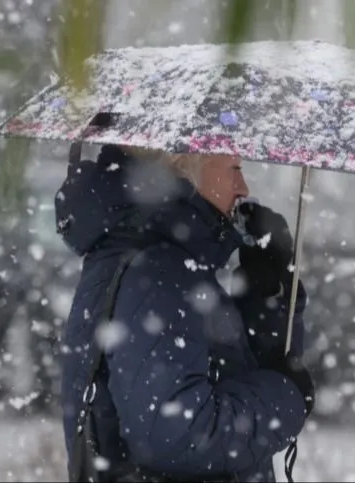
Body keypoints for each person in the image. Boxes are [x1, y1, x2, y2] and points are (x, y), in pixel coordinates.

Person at [55, 143, 315, 482]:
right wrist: (284, 399)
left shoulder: (160, 261)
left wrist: (267, 292)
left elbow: (226, 377)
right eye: (233, 169)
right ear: (182, 167)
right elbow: (177, 436)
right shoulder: (160, 272)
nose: (244, 188)